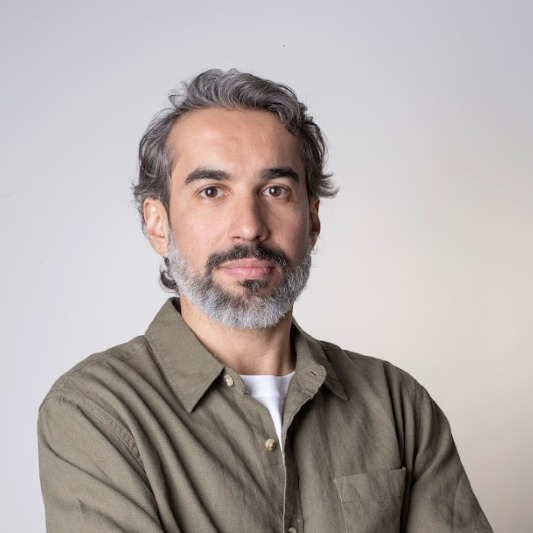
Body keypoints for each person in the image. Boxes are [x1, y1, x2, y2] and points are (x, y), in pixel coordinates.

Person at [38, 69, 493, 533]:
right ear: (158, 224)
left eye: (276, 191)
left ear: (312, 220)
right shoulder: (96, 412)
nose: (249, 226)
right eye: (211, 192)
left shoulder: (397, 404)